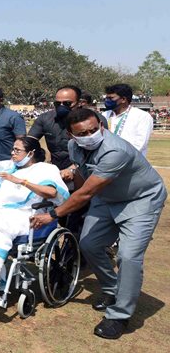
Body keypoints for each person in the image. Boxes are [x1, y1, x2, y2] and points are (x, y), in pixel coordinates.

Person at [31, 109, 166, 340]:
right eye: (83, 133)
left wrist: (54, 214)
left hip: (141, 200)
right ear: (72, 136)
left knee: (129, 256)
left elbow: (86, 192)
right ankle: (113, 289)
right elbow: (83, 178)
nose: (91, 135)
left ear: (102, 126)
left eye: (95, 129)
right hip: (106, 198)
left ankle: (119, 316)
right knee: (89, 244)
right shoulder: (75, 147)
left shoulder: (115, 150)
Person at [0, 123, 69, 295]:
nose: (12, 153)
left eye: (17, 150)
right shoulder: (10, 167)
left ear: (31, 153)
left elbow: (51, 192)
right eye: (13, 150)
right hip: (2, 211)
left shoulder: (47, 169)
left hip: (29, 214)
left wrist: (22, 182)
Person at [28, 86, 107, 234]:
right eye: (58, 104)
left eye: (67, 103)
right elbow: (29, 143)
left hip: (86, 177)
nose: (62, 107)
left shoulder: (93, 121)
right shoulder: (45, 119)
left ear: (79, 102)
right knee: (61, 219)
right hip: (58, 178)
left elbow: (97, 152)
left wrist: (73, 169)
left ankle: (84, 251)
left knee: (81, 221)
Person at [101, 84, 153, 156]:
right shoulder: (104, 115)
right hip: (107, 158)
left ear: (123, 99)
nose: (107, 100)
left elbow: (140, 143)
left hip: (131, 161)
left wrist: (119, 156)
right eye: (106, 98)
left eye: (111, 98)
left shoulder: (142, 116)